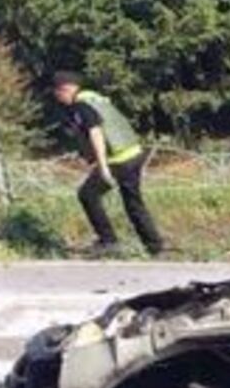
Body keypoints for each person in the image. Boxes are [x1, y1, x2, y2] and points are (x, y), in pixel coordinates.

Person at [52, 71, 164, 257]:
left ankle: (108, 241)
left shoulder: (81, 105)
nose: (58, 98)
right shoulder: (96, 98)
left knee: (87, 195)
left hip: (118, 159)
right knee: (133, 202)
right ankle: (154, 246)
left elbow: (95, 131)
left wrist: (102, 166)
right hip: (133, 153)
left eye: (57, 93)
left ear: (65, 89)